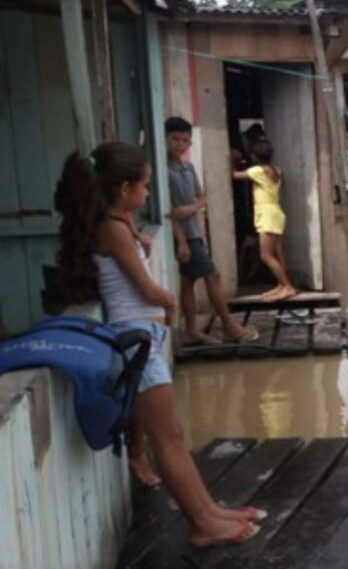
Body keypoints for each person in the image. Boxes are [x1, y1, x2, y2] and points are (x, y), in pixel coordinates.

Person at [54, 142, 265, 546]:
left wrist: (139, 240)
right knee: (167, 438)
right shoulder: (113, 230)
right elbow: (147, 290)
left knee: (172, 434)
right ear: (125, 188)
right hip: (136, 339)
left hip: (142, 338)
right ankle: (201, 524)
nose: (149, 193)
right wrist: (169, 301)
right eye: (145, 186)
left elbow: (128, 248)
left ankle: (210, 512)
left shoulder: (116, 224)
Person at [165, 117, 257, 345]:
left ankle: (191, 330)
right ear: (165, 139)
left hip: (193, 231)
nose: (180, 144)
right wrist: (182, 241)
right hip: (182, 236)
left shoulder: (187, 167)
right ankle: (229, 325)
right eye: (175, 139)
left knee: (188, 281)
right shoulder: (163, 171)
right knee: (212, 275)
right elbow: (169, 213)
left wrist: (190, 210)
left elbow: (201, 197)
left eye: (185, 140)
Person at [232, 138, 297, 301]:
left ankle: (287, 286)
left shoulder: (258, 171)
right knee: (277, 253)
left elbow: (234, 175)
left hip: (267, 215)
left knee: (265, 255)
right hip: (276, 212)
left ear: (254, 156)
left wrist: (232, 160)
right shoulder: (277, 171)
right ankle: (282, 284)